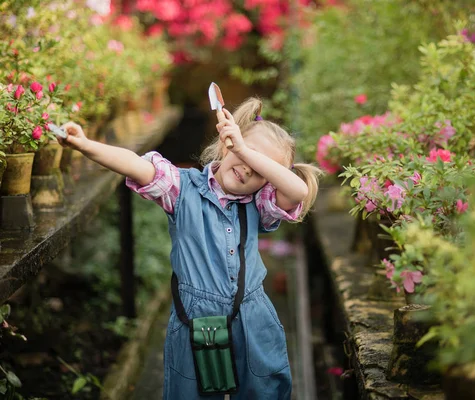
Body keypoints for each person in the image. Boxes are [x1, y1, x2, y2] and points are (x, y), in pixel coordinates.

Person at [58, 97, 322, 399]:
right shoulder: (181, 188)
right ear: (226, 145)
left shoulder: (259, 204)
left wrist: (245, 150)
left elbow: (298, 190)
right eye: (242, 156)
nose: (249, 170)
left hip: (253, 318)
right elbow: (135, 164)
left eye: (261, 170)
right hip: (195, 319)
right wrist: (85, 145)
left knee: (263, 390)